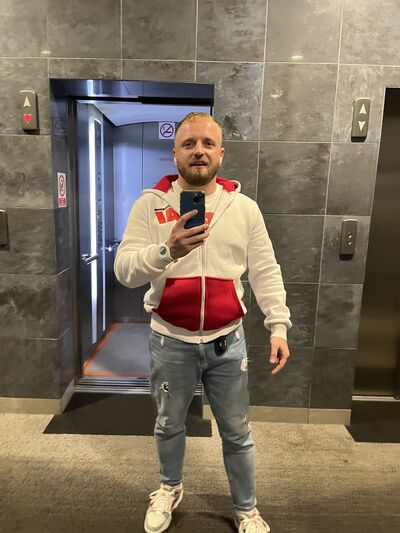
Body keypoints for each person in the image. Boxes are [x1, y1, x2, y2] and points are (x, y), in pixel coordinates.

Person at [114, 112, 292, 533]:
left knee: (237, 430)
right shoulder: (150, 205)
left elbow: (265, 270)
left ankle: (246, 508)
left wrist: (278, 325)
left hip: (227, 342)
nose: (199, 151)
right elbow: (124, 270)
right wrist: (166, 251)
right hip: (169, 341)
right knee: (168, 423)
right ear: (174, 153)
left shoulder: (243, 209)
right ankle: (169, 487)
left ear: (221, 153)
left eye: (208, 143)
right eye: (189, 143)